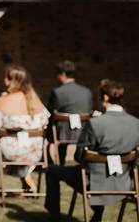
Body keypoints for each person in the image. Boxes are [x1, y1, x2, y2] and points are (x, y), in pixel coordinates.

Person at [45, 79, 139, 222]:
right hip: (125, 183)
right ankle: (97, 214)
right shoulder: (136, 123)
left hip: (92, 182)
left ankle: (54, 217)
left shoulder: (95, 123)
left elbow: (79, 156)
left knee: (52, 170)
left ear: (105, 97)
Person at [0, 65, 50, 195]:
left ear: (11, 81)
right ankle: (27, 180)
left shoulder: (2, 101)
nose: (4, 79)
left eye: (6, 77)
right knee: (5, 143)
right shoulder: (35, 100)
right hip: (33, 152)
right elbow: (46, 122)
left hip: (8, 153)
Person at [47, 60, 94, 163]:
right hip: (84, 132)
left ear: (63, 74)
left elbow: (51, 113)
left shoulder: (57, 92)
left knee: (52, 126)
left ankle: (55, 164)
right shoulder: (87, 92)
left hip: (62, 134)